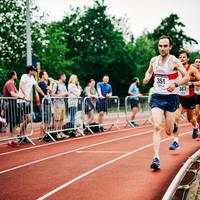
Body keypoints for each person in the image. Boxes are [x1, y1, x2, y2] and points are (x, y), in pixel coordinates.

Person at [143, 35, 189, 170]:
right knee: (157, 126)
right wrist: (147, 78)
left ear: (170, 47)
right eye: (160, 46)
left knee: (169, 132)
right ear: (158, 47)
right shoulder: (154, 60)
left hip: (171, 97)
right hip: (157, 96)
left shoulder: (174, 61)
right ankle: (156, 158)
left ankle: (173, 126)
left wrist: (175, 84)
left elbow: (186, 77)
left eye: (165, 46)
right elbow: (149, 71)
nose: (162, 48)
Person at [170, 51, 200, 150]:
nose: (182, 59)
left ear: (187, 59)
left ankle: (195, 127)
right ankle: (175, 141)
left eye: (184, 57)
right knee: (176, 117)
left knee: (191, 119)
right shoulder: (175, 68)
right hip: (178, 97)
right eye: (180, 57)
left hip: (190, 98)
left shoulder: (192, 69)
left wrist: (191, 83)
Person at [18, 66, 45, 140]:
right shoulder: (24, 76)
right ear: (30, 71)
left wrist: (44, 95)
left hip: (27, 101)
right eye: (34, 71)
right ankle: (21, 135)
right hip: (22, 100)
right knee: (27, 118)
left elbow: (37, 87)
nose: (35, 72)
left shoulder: (32, 78)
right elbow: (21, 85)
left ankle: (22, 135)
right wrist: (26, 95)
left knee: (28, 119)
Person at [3, 71, 21, 147]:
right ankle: (10, 140)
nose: (16, 75)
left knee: (13, 123)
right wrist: (21, 97)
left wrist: (21, 95)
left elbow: (17, 92)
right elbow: (13, 94)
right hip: (10, 105)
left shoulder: (12, 83)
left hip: (12, 105)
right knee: (10, 123)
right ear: (13, 75)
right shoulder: (9, 83)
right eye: (16, 74)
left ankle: (13, 139)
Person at [38, 71, 53, 137]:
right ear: (42, 76)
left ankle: (46, 134)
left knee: (47, 119)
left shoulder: (45, 83)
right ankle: (42, 135)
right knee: (44, 119)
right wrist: (52, 82)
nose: (47, 75)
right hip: (43, 103)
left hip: (47, 102)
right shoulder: (41, 82)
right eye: (46, 74)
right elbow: (50, 88)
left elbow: (49, 91)